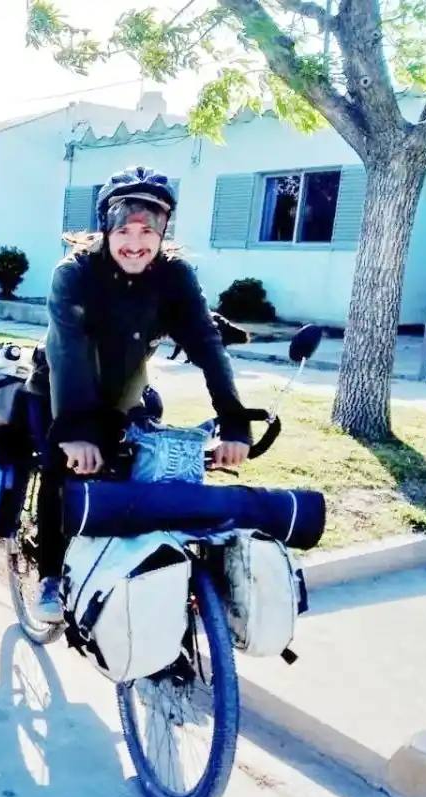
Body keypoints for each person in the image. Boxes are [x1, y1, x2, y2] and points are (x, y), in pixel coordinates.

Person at [33, 165, 252, 619]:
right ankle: (50, 575)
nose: (136, 241)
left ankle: (131, 572)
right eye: (124, 229)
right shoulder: (75, 274)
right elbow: (68, 351)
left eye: (148, 230)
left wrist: (235, 423)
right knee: (61, 472)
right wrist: (74, 431)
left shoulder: (174, 277)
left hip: (125, 397)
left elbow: (207, 345)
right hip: (59, 393)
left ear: (163, 231)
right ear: (105, 229)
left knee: (146, 473)